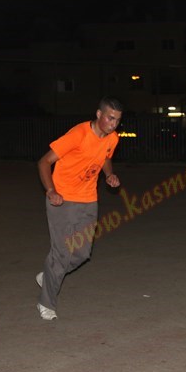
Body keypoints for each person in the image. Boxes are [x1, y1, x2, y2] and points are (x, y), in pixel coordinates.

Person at [35, 96, 123, 320]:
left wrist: (109, 174)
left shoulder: (113, 138)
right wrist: (51, 191)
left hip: (88, 200)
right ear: (99, 114)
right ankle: (47, 304)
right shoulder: (78, 135)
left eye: (117, 120)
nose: (113, 124)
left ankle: (49, 275)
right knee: (62, 253)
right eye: (110, 119)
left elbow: (105, 157)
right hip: (62, 200)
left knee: (83, 253)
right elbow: (44, 162)